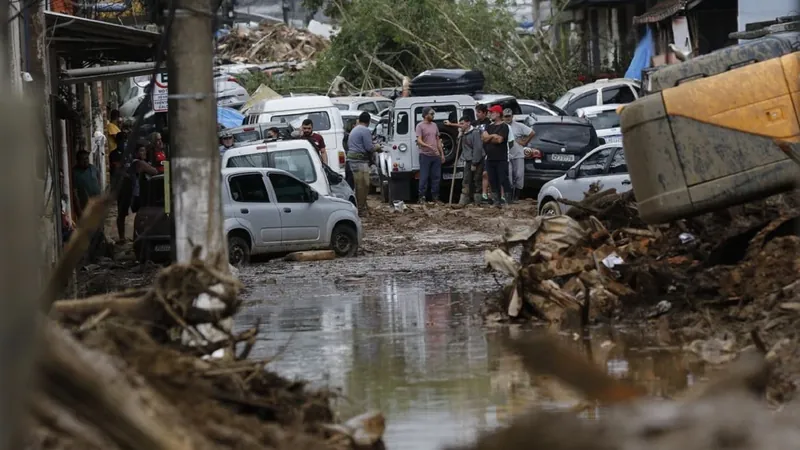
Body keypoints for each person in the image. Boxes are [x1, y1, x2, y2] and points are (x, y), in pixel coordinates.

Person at [117, 143, 158, 243]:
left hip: (127, 190)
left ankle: (123, 238)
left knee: (123, 215)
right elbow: (155, 171)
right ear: (136, 153)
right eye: (141, 151)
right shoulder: (139, 163)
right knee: (140, 215)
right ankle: (134, 237)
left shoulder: (131, 162)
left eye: (144, 150)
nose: (143, 153)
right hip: (132, 192)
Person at [346, 112, 380, 214]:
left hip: (351, 161)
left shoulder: (355, 129)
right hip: (359, 162)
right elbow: (369, 148)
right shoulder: (365, 130)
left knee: (357, 186)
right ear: (369, 121)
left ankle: (362, 205)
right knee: (363, 186)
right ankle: (360, 209)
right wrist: (377, 148)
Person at [481, 105, 512, 207]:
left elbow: (499, 140)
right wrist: (493, 136)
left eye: (492, 112)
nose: (490, 114)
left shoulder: (504, 126)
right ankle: (496, 201)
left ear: (498, 113)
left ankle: (507, 200)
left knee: (503, 179)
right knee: (492, 180)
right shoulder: (489, 126)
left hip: (501, 158)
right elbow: (484, 139)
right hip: (490, 158)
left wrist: (490, 137)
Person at [503, 108, 535, 203]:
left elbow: (532, 133)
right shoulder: (501, 126)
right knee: (508, 175)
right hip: (506, 155)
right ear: (503, 117)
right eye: (506, 116)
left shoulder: (519, 126)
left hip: (518, 154)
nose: (508, 118)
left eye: (509, 116)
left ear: (512, 116)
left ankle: (516, 196)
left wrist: (525, 141)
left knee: (519, 175)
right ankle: (508, 196)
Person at [415, 107, 444, 203]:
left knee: (436, 177)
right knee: (424, 177)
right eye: (431, 114)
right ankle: (422, 197)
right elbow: (419, 140)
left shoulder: (434, 125)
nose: (433, 116)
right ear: (426, 115)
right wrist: (428, 146)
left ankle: (435, 197)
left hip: (435, 155)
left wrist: (442, 154)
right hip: (425, 155)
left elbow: (438, 140)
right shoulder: (420, 126)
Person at [456, 115, 484, 205]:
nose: (460, 125)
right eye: (459, 124)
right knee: (466, 180)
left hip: (477, 160)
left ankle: (477, 201)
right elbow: (459, 146)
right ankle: (465, 199)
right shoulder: (463, 134)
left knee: (476, 180)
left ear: (468, 123)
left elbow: (478, 148)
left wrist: (475, 163)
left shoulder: (475, 132)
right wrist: (459, 135)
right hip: (468, 160)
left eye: (462, 123)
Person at [72, 150, 102, 219]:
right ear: (78, 160)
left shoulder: (93, 168)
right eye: (83, 159)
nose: (85, 161)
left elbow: (98, 181)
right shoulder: (74, 173)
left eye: (87, 158)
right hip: (85, 208)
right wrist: (79, 211)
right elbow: (75, 193)